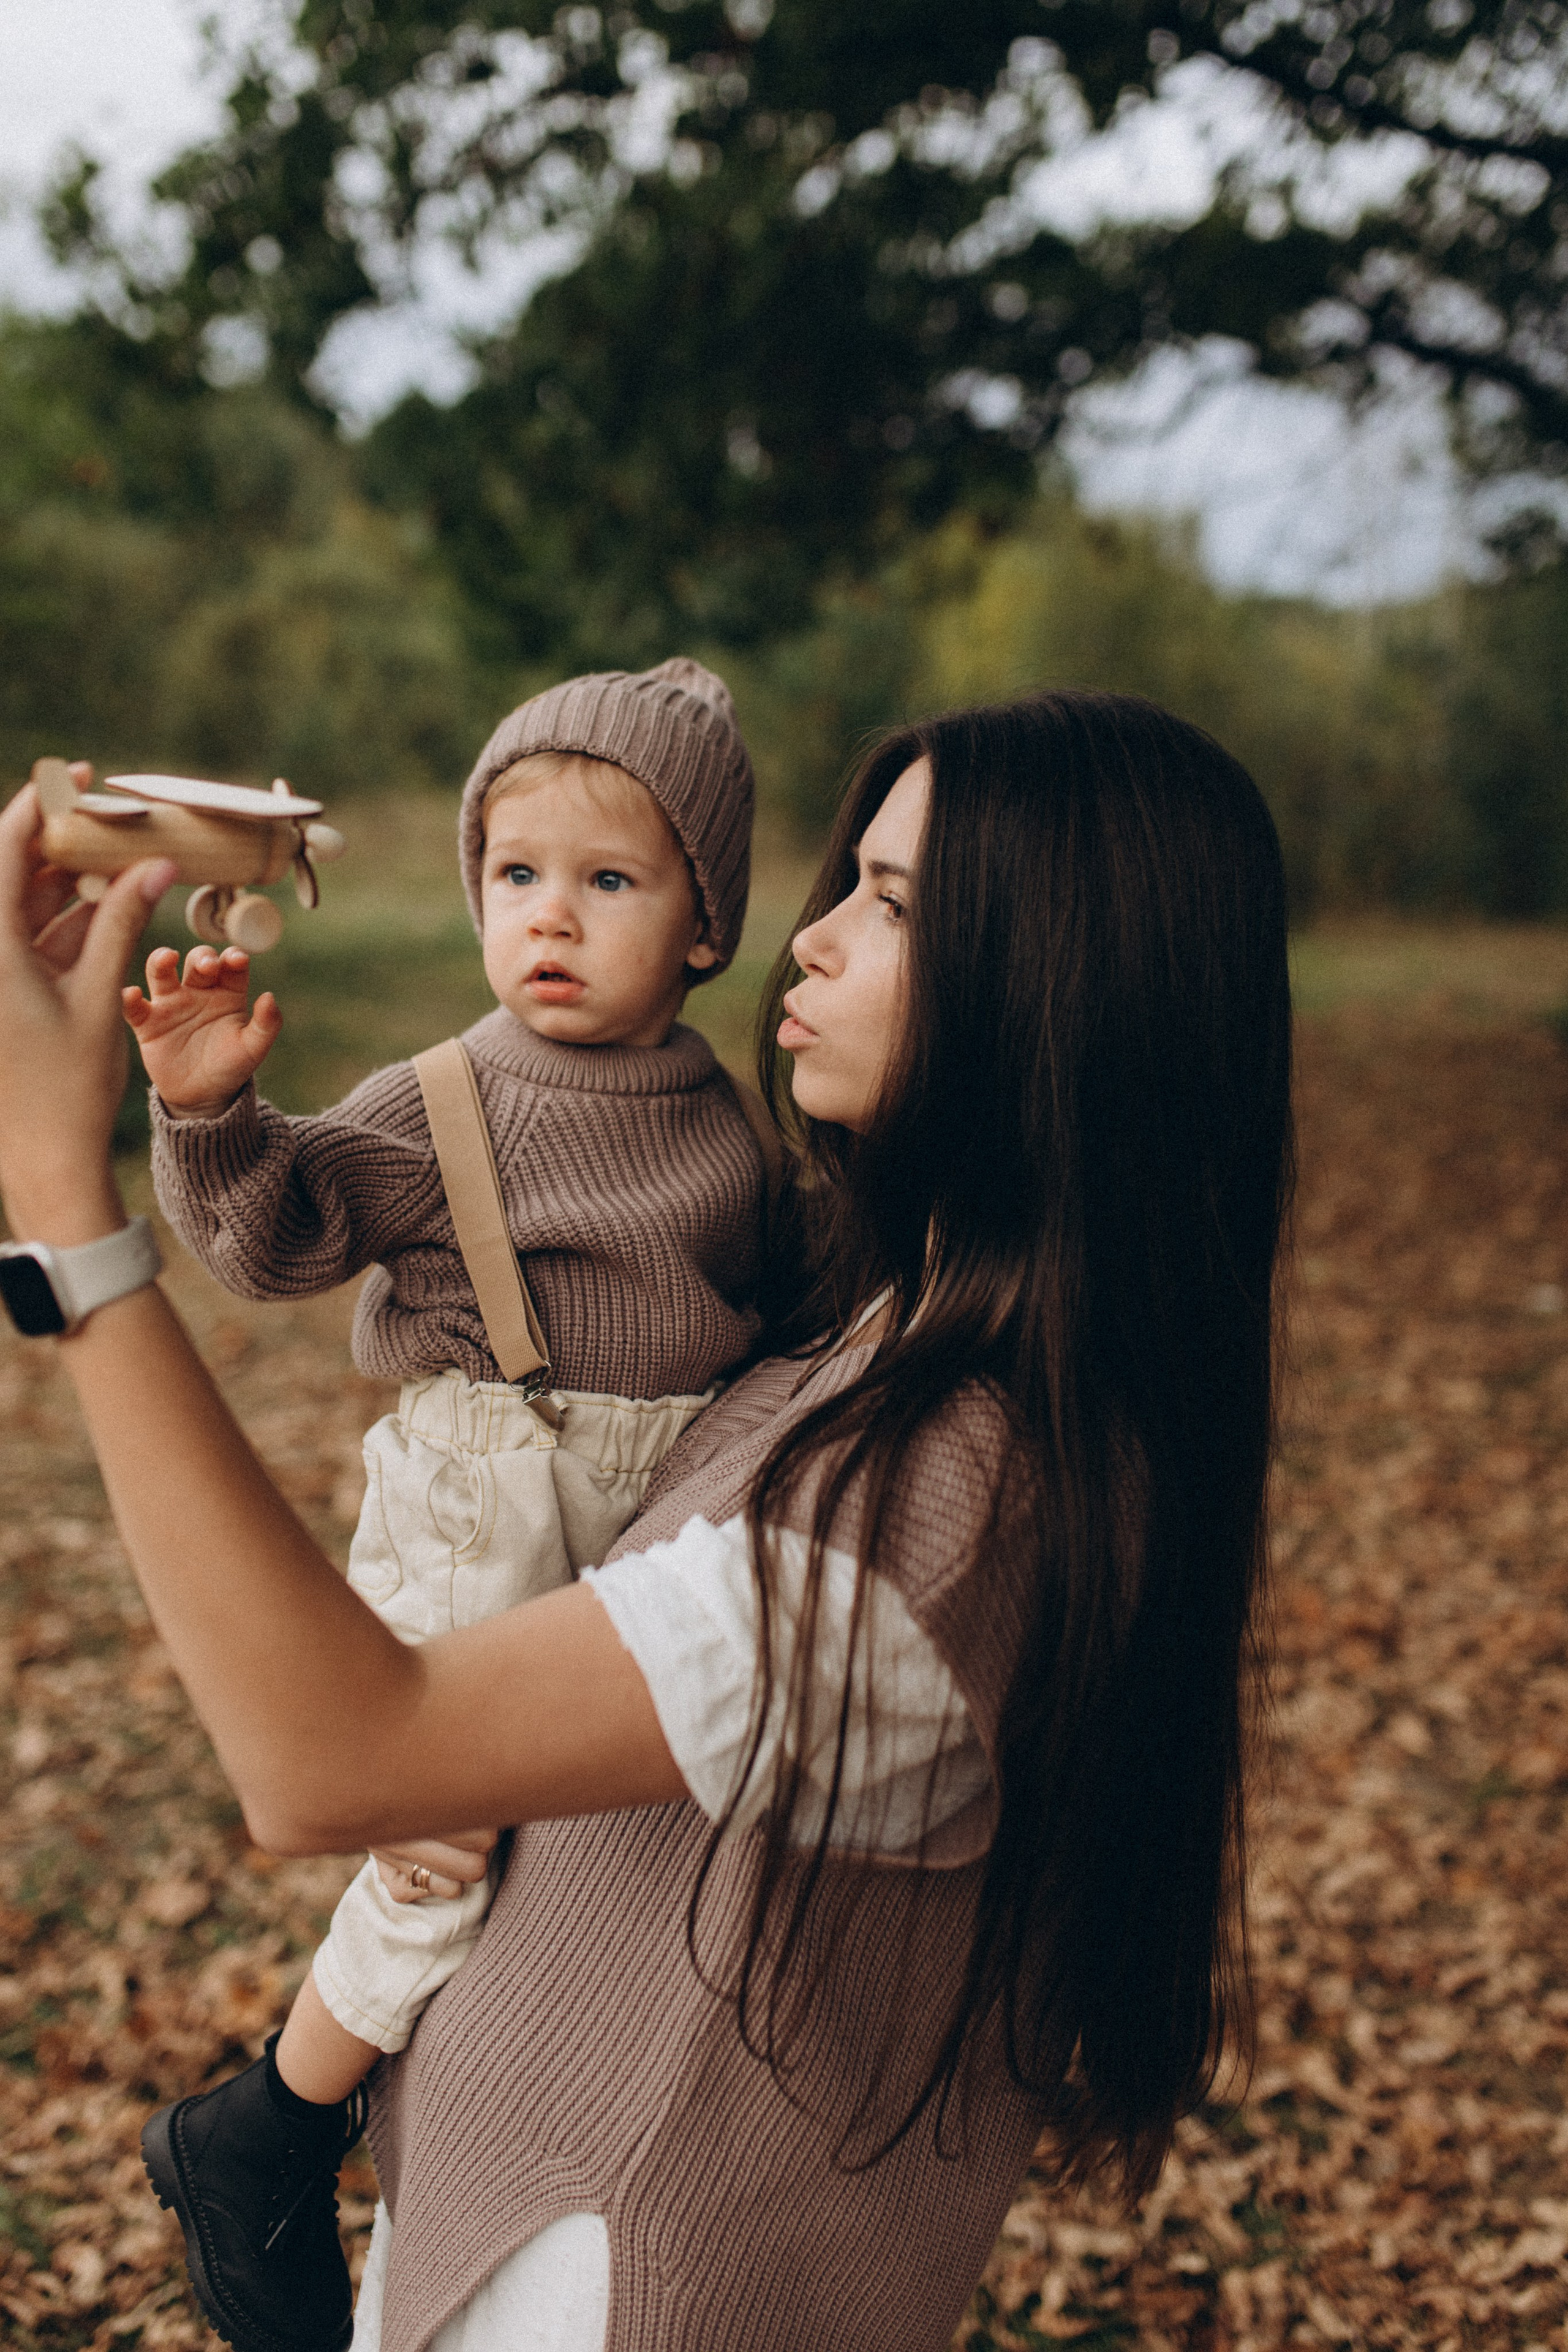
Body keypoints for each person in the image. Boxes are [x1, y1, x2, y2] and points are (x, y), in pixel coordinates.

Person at [0, 690, 1294, 2352]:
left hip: (599, 2291)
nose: (808, 945)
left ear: (1069, 987)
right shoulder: (880, 1325)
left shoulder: (935, 1530)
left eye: (891, 906)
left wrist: (60, 1202)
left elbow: (329, 1757)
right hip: (512, 2226)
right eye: (846, 885)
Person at [114, 657, 777, 2346]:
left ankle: (462, 2113)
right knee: (442, 1838)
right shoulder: (449, 1101)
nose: (549, 919)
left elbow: (774, 1297)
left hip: (645, 1505)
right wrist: (206, 1112)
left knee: (595, 1835)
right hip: (484, 1494)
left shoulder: (723, 1120)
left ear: (707, 926)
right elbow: (275, 1237)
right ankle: (269, 2126)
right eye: (516, 876)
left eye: (609, 882)